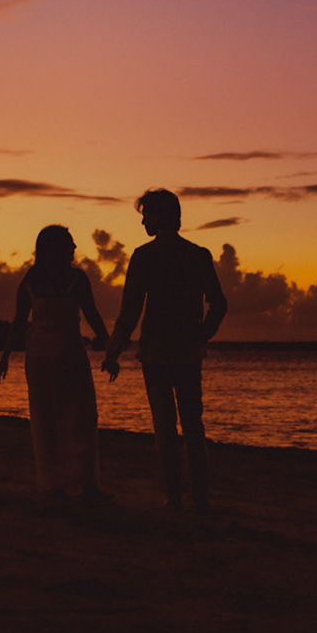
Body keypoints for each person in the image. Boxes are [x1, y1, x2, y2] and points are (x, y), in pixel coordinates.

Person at [102, 188, 228, 512]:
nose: (143, 221)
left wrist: (113, 352)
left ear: (160, 217)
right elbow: (219, 305)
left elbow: (130, 312)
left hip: (157, 353)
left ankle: (174, 498)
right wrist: (201, 337)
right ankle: (200, 500)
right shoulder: (198, 255)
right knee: (193, 425)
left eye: (146, 215)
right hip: (186, 352)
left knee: (165, 428)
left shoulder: (144, 257)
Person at [0, 224, 112, 501]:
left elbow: (19, 322)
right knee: (80, 415)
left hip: (39, 354)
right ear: (55, 248)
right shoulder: (76, 279)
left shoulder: (31, 279)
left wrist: (5, 357)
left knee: (46, 416)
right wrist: (109, 347)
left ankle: (54, 484)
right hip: (68, 350)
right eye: (69, 244)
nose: (74, 248)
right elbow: (92, 316)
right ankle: (85, 484)